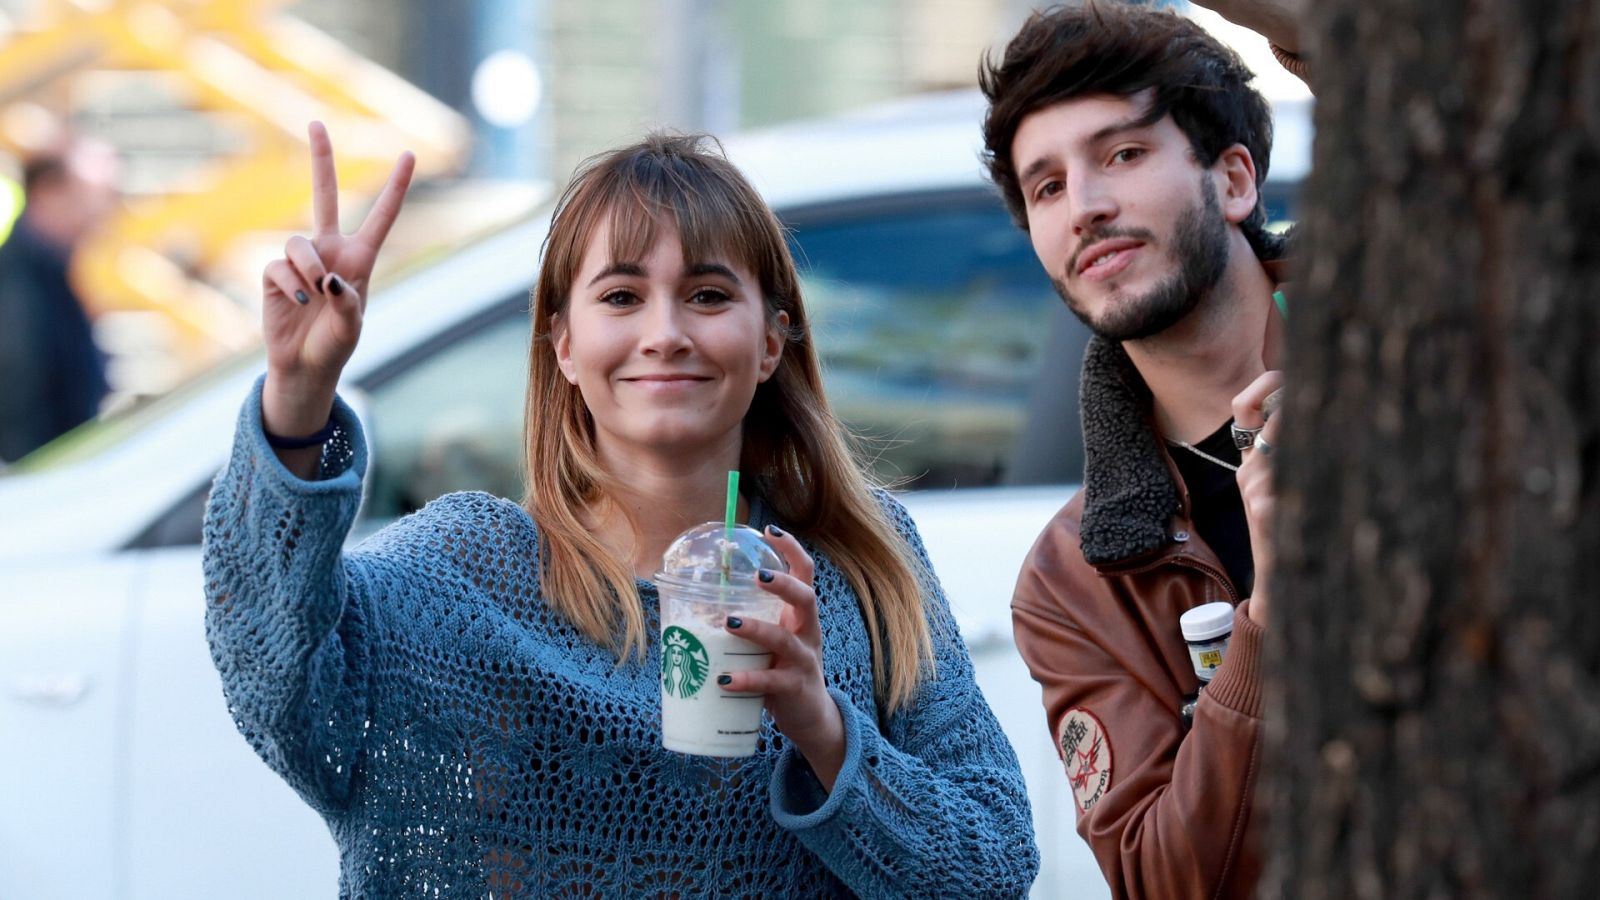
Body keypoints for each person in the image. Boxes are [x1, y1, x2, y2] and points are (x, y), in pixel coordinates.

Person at [202, 123, 1039, 897]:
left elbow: (994, 870)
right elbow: (279, 682)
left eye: (707, 295)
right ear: (564, 344)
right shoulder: (464, 575)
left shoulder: (860, 567)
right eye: (621, 296)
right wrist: (298, 395)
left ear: (770, 342)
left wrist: (825, 731)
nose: (665, 332)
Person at [979, 3, 1290, 897]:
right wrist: (1270, 621)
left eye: (1121, 154)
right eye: (1046, 187)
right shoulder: (1071, 582)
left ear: (1234, 180)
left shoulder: (1422, 368)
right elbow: (1163, 879)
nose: (1086, 208)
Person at [0, 136, 120, 463]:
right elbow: (21, 409)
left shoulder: (51, 272)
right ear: (49, 191)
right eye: (96, 193)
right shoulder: (17, 285)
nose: (107, 208)